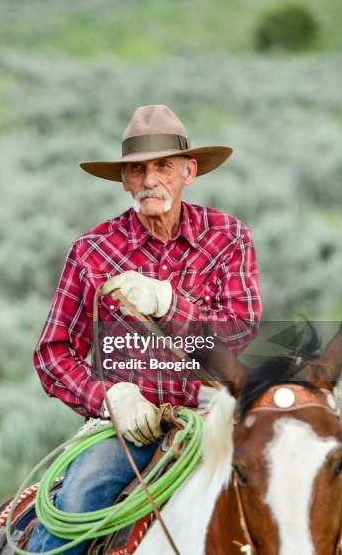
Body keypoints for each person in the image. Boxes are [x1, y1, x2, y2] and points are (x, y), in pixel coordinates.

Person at [29, 104, 262, 553]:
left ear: (188, 171)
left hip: (213, 418)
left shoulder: (228, 237)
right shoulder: (92, 252)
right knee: (79, 499)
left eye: (163, 166)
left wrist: (170, 304)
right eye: (137, 169)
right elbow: (53, 353)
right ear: (124, 180)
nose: (150, 179)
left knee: (296, 484)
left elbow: (240, 336)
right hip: (126, 429)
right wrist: (110, 397)